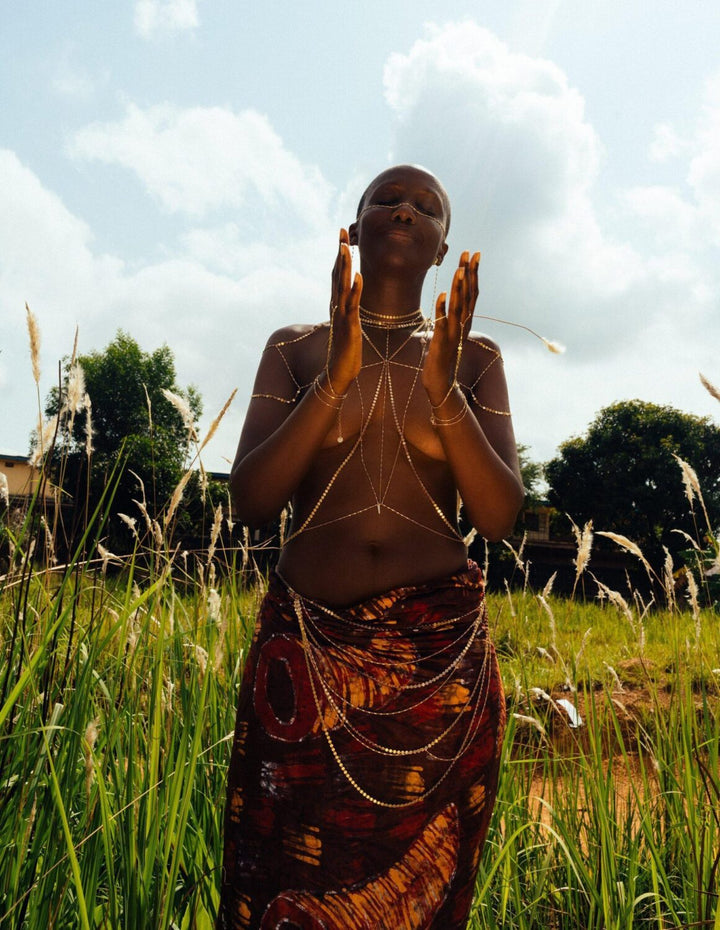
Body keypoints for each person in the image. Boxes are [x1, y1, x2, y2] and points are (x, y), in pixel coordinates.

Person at [217, 164, 524, 929]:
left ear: (444, 247)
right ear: (352, 231)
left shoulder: (476, 358)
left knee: (418, 894)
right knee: (289, 877)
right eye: (387, 198)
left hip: (436, 671)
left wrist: (445, 390)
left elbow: (497, 518)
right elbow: (252, 503)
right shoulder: (295, 348)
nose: (406, 210)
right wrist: (335, 382)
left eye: (427, 207)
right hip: (308, 663)